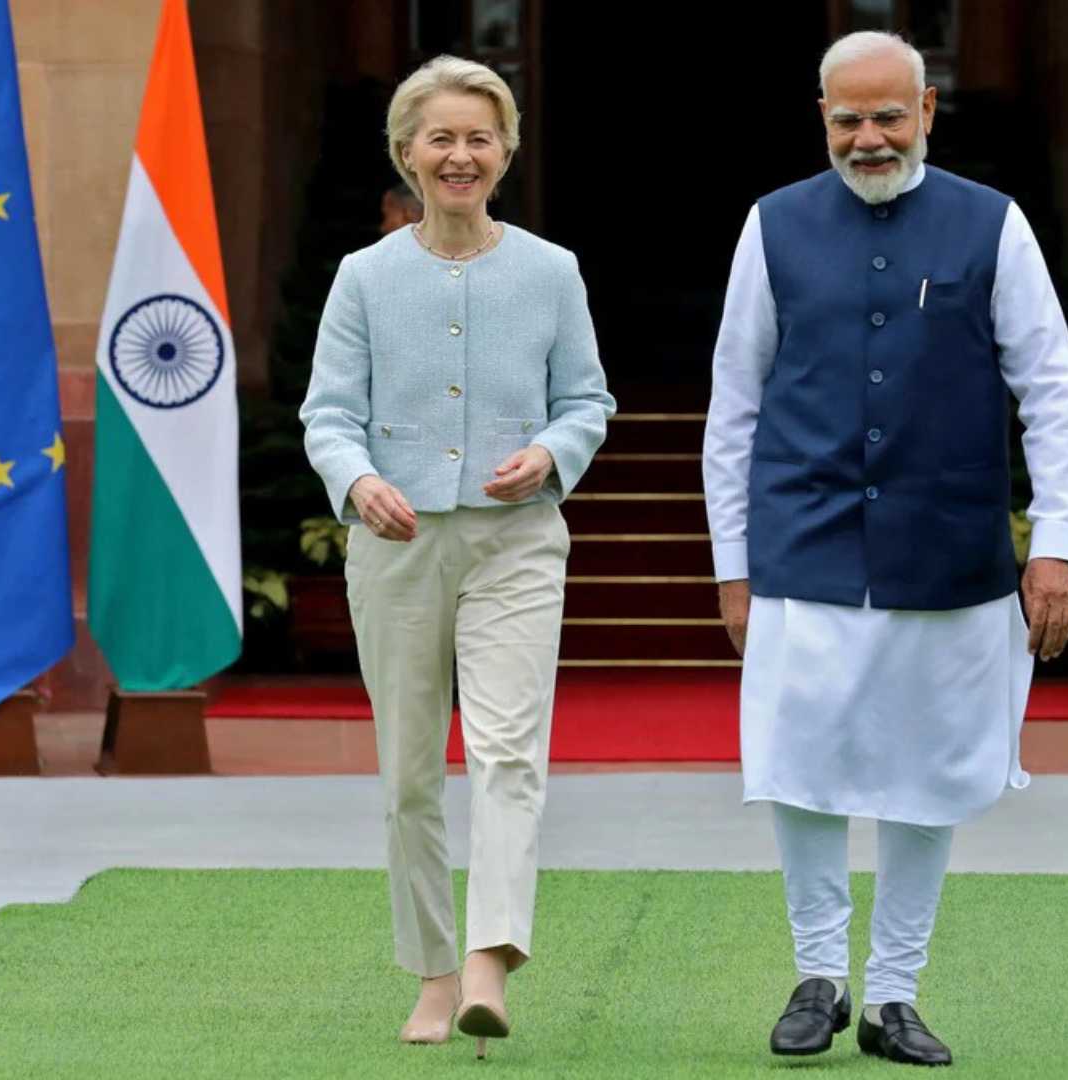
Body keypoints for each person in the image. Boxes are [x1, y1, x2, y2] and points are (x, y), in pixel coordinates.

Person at [702, 31, 1068, 1067]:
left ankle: (894, 995)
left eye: (886, 116)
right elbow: (735, 405)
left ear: (926, 110)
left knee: (932, 771)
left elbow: (1052, 392)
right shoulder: (773, 224)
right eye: (848, 120)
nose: (868, 137)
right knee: (799, 764)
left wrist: (1054, 546)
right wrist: (732, 564)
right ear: (822, 118)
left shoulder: (993, 224)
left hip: (948, 549)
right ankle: (818, 977)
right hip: (804, 541)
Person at [300, 54, 615, 1057]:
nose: (460, 155)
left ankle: (490, 957)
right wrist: (358, 482)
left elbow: (588, 401)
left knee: (508, 752)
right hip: (395, 549)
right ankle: (434, 975)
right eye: (441, 137)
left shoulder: (552, 271)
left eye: (480, 137)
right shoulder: (363, 277)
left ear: (506, 152)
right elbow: (327, 415)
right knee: (408, 775)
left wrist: (553, 453)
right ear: (407, 152)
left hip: (516, 542)